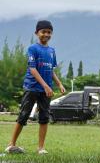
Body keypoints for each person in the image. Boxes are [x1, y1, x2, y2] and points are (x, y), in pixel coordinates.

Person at [6, 20, 65, 155]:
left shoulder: (51, 51)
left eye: (49, 32)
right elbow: (32, 69)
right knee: (24, 115)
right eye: (43, 32)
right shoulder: (33, 49)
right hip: (32, 87)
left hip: (47, 89)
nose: (46, 34)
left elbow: (51, 70)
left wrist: (59, 84)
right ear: (37, 33)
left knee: (44, 117)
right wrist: (44, 85)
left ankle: (41, 148)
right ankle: (11, 145)